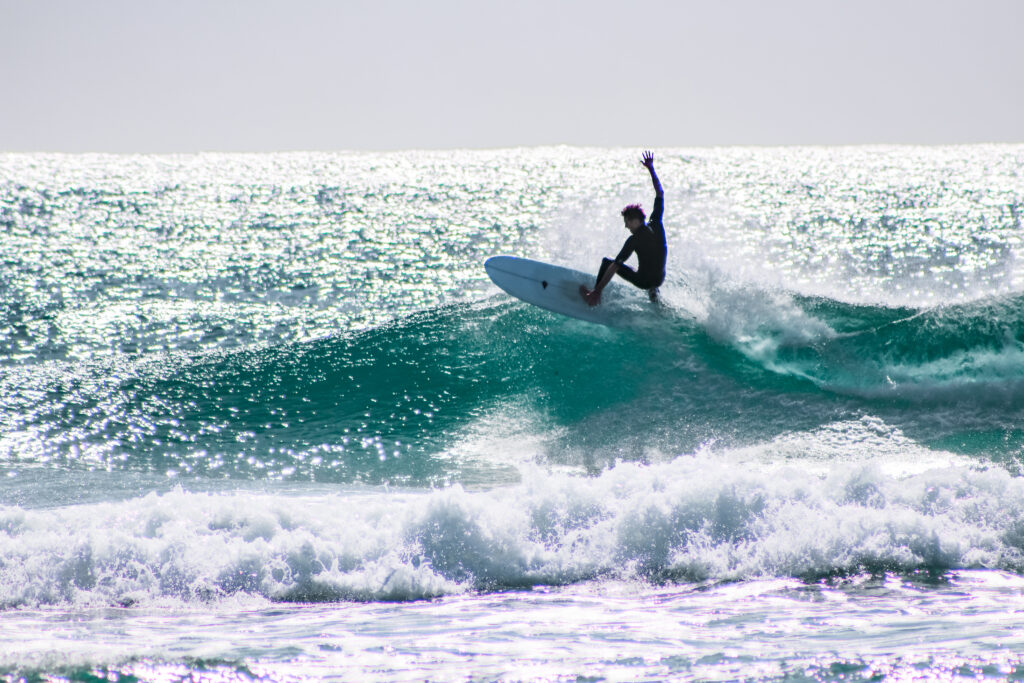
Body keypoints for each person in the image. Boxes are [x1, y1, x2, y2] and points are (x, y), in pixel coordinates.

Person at [580, 150, 666, 306]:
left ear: (635, 221)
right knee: (649, 268)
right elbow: (660, 192)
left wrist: (598, 290)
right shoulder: (656, 222)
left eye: (627, 222)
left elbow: (614, 265)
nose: (626, 226)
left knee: (607, 262)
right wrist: (651, 169)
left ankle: (594, 297)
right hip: (659, 279)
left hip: (644, 281)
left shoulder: (634, 240)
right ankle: (655, 298)